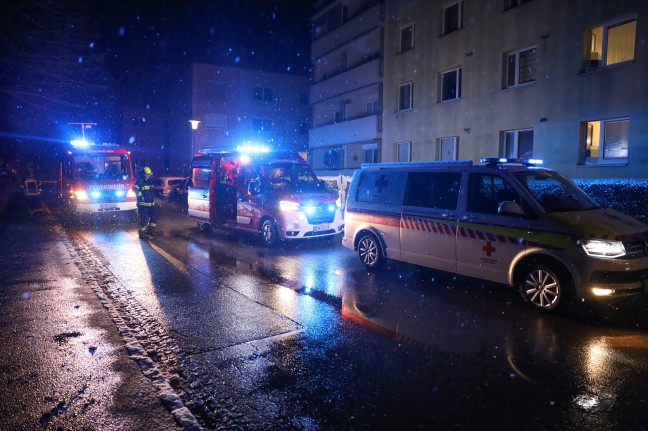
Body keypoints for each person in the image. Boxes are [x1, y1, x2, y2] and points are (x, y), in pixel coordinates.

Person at [132, 166, 158, 238]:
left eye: (150, 174)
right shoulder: (140, 181)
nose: (149, 176)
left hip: (151, 204)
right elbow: (134, 189)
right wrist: (140, 196)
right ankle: (142, 233)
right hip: (143, 205)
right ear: (144, 175)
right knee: (143, 219)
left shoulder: (149, 181)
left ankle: (150, 232)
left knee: (154, 217)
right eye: (148, 174)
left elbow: (152, 190)